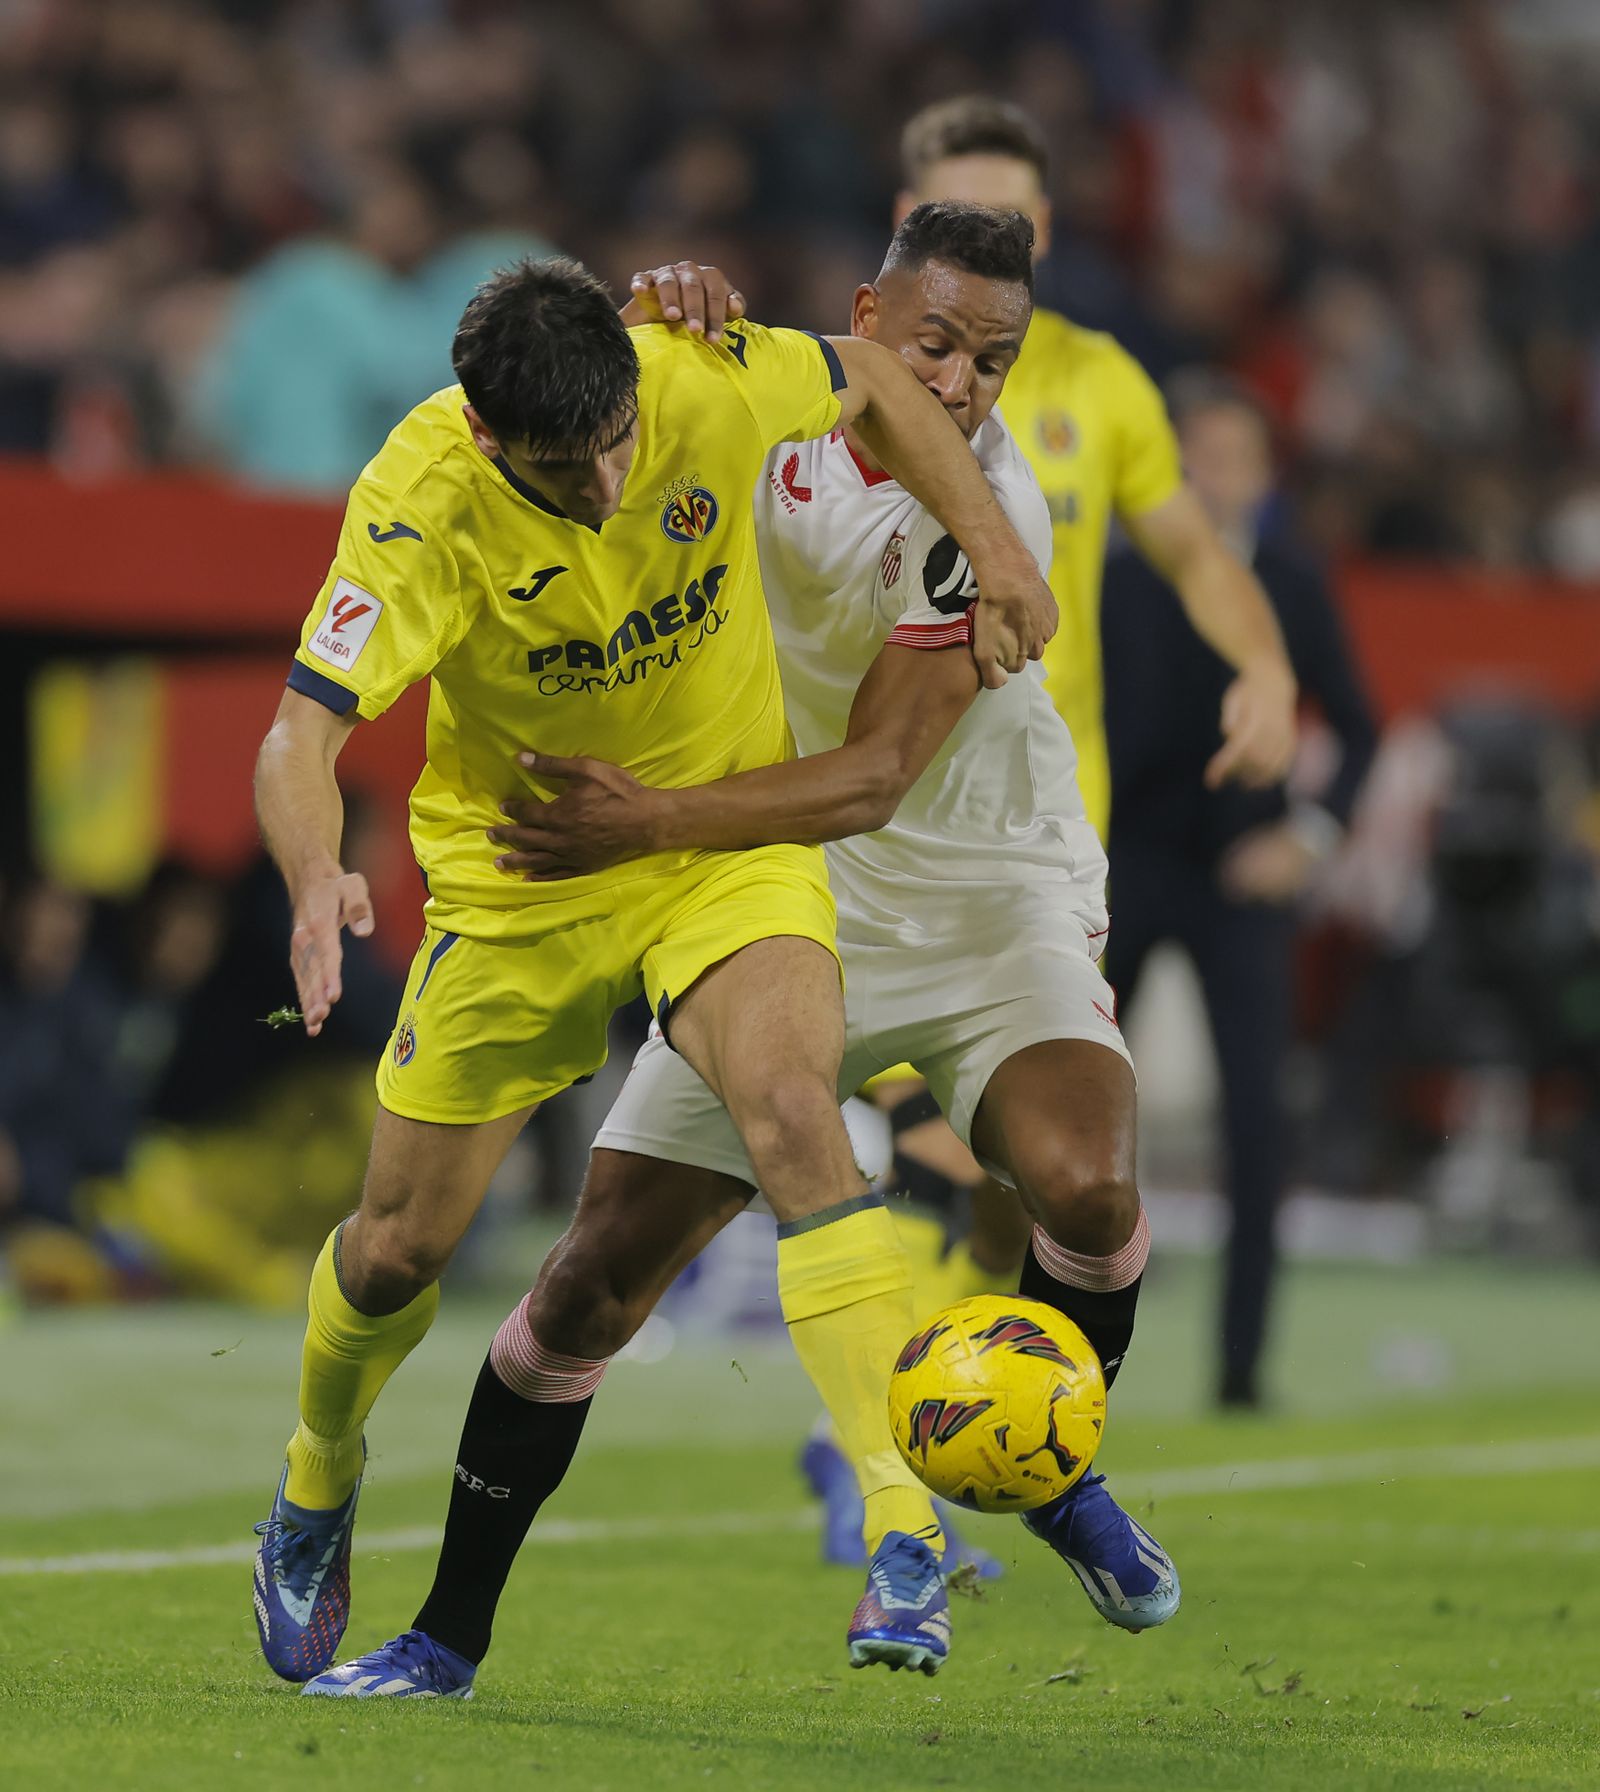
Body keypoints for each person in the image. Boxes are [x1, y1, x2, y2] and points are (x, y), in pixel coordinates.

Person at [299, 201, 1291, 1701]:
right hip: (769, 886)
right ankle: (442, 1638)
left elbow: (874, 782)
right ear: (866, 327)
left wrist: (648, 821)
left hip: (973, 900)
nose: (962, 383)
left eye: (999, 360)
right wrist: (680, 306)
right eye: (938, 343)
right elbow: (645, 444)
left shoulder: (980, 509)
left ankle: (1042, 1474)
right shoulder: (736, 411)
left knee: (1085, 1190)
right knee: (586, 1287)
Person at [249, 252, 1058, 1687]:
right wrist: (316, 875)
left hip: (717, 849)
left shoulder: (691, 374)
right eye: (569, 470)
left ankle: (899, 1525)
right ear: (493, 439)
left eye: (620, 441)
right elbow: (302, 732)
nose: (612, 486)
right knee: (393, 1255)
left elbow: (872, 380)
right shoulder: (419, 503)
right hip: (526, 872)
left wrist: (995, 549)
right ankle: (318, 1475)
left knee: (799, 1113)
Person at [795, 93, 1305, 1561]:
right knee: (909, 1162)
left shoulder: (1100, 386)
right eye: (960, 196)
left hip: (1033, 832)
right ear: (904, 224)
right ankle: (891, 1467)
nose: (1002, 223)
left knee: (1035, 1188)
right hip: (863, 822)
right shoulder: (843, 382)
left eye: (1020, 205)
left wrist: (1264, 664)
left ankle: (978, 1443)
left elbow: (1197, 552)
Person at [1101, 372, 1379, 1408]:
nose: (1213, 481)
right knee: (1059, 1110)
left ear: (1265, 476)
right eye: (1194, 460)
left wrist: (1304, 840)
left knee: (1260, 1125)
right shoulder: (1117, 578)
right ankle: (1049, 1362)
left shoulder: (1294, 586)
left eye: (1232, 460)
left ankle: (1239, 1372)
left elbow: (1361, 728)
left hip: (1238, 883)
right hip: (1124, 867)